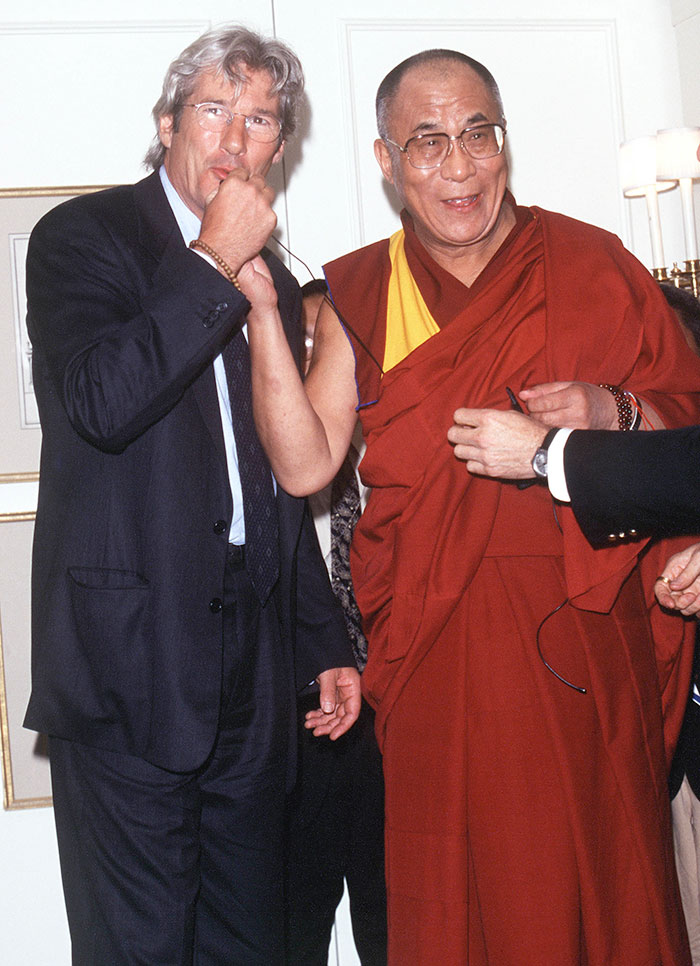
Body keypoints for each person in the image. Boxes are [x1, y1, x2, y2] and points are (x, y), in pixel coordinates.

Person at [237, 47, 700, 964]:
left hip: (578, 637)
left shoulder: (590, 262)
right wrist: (259, 307)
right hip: (435, 646)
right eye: (428, 142)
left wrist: (611, 409)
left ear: (505, 142)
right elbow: (305, 465)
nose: (459, 167)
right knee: (451, 897)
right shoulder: (364, 290)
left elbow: (689, 422)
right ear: (385, 161)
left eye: (478, 134)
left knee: (592, 887)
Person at [23, 24, 360, 966]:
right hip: (128, 674)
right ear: (166, 122)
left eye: (258, 121)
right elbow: (101, 402)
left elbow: (275, 478)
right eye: (212, 109)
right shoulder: (83, 238)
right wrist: (210, 262)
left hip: (254, 683)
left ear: (277, 151)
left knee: (249, 946)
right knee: (136, 949)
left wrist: (322, 636)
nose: (231, 140)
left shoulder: (279, 285)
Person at [284, 281, 387, 965]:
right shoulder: (272, 455)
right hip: (301, 726)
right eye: (307, 338)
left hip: (390, 717)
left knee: (396, 914)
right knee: (295, 922)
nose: (319, 351)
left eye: (334, 340)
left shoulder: (394, 454)